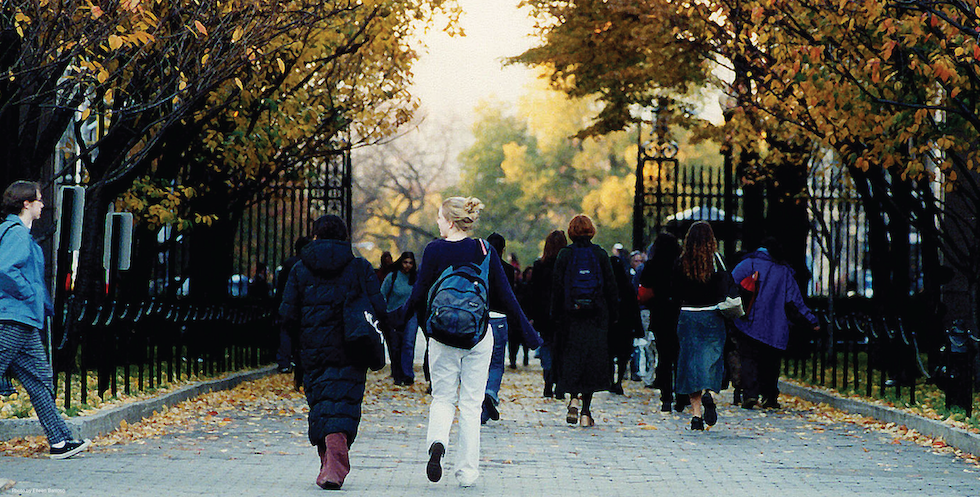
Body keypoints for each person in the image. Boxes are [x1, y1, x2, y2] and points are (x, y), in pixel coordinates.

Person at [394, 196, 539, 487]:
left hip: (442, 338)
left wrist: (396, 321)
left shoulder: (434, 250)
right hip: (477, 336)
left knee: (443, 398)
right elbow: (506, 296)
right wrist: (530, 335)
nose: (437, 222)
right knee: (472, 406)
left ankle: (437, 443)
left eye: (438, 217)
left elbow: (419, 293)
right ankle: (467, 473)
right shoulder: (485, 249)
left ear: (449, 221)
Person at [279, 214, 388, 489]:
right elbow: (379, 308)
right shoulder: (359, 267)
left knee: (322, 406)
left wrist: (288, 352)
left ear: (315, 236)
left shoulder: (300, 269)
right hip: (352, 347)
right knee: (343, 404)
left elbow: (287, 316)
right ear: (344, 237)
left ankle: (329, 465)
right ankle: (333, 467)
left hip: (312, 349)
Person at [0, 180, 90, 459]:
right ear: (25, 203)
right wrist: (30, 296)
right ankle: (60, 440)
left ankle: (60, 441)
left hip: (25, 320)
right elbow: (5, 270)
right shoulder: (15, 234)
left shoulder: (21, 234)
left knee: (40, 380)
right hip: (12, 318)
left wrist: (41, 305)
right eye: (38, 200)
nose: (42, 204)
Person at [731, 237, 819, 409]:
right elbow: (796, 302)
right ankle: (770, 396)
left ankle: (750, 394)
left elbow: (729, 284)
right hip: (775, 328)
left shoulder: (748, 264)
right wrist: (811, 320)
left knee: (749, 359)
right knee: (771, 363)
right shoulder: (784, 272)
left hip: (748, 323)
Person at [670, 221, 738, 430]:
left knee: (690, 362)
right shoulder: (717, 261)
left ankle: (696, 415)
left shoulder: (682, 262)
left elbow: (674, 291)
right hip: (712, 315)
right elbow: (729, 287)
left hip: (688, 315)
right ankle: (709, 392)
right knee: (711, 360)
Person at [552, 215, 618, 427]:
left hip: (570, 316)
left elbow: (557, 288)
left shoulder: (564, 254)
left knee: (572, 359)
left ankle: (572, 398)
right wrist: (613, 316)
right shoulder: (600, 254)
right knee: (591, 362)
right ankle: (586, 412)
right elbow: (611, 288)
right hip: (596, 316)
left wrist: (555, 316)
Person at [637, 232, 682, 412]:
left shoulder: (652, 265)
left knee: (664, 356)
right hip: (678, 313)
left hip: (660, 313)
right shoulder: (680, 264)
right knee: (679, 356)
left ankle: (666, 396)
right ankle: (682, 395)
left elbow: (644, 289)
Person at [483, 233, 516, 424]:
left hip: (482, 319)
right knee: (496, 362)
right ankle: (491, 392)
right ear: (503, 249)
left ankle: (482, 402)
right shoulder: (508, 270)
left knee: (480, 363)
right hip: (500, 319)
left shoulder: (481, 267)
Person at [529, 230, 567, 398]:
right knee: (562, 347)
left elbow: (533, 292)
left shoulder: (539, 265)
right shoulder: (566, 265)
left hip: (544, 314)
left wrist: (532, 314)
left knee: (546, 345)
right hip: (563, 312)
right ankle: (560, 383)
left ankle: (548, 379)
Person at [380, 251, 418, 386]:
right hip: (393, 313)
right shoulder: (393, 277)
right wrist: (384, 312)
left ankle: (408, 374)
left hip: (410, 315)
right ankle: (397, 374)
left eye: (410, 263)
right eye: (405, 262)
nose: (407, 265)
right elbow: (382, 294)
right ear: (400, 262)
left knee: (408, 344)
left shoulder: (416, 279)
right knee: (395, 346)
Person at [608, 253, 644, 395]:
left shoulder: (607, 286)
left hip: (611, 326)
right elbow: (634, 307)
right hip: (626, 326)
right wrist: (637, 327)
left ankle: (611, 380)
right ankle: (619, 381)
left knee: (610, 355)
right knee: (623, 356)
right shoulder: (627, 285)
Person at [275, 236, 310, 375]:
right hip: (304, 303)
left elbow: (280, 287)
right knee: (301, 333)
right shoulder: (309, 264)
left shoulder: (289, 264)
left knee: (286, 332)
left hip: (289, 303)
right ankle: (299, 360)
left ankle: (284, 361)